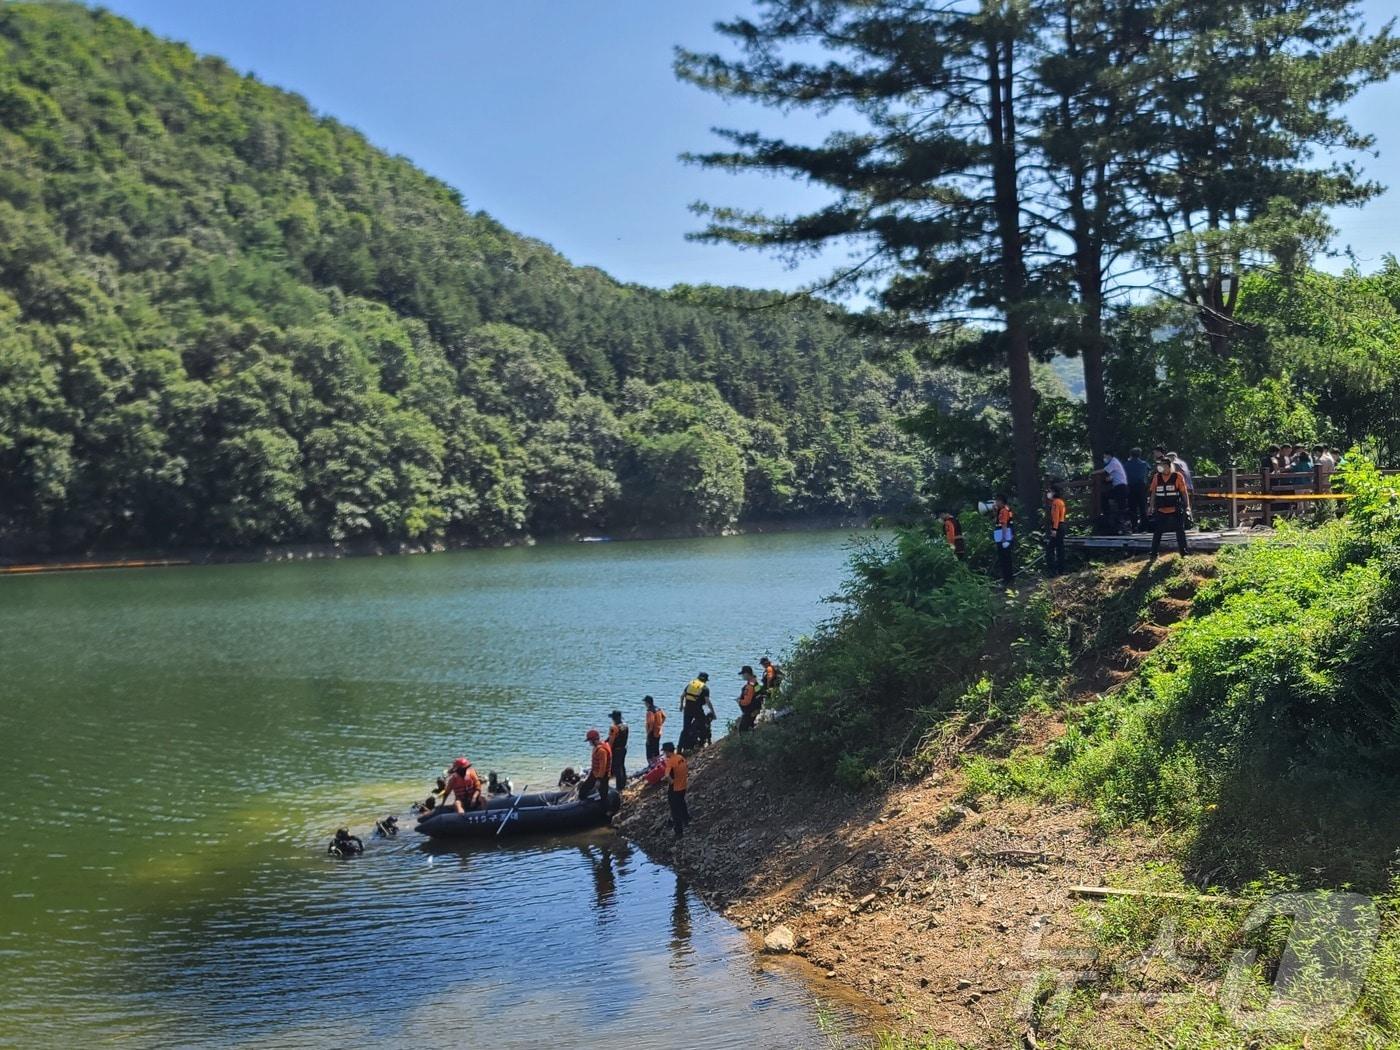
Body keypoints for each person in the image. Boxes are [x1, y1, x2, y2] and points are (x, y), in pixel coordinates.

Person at [1147, 456, 1190, 562]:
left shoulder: (1177, 476)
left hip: (1175, 508)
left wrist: (1187, 506)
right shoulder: (1157, 477)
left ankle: (1183, 552)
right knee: (1157, 532)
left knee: (1180, 531)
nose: (1162, 467)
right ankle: (1153, 553)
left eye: (1164, 465)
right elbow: (1153, 493)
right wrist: (1151, 507)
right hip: (1161, 509)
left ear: (1169, 466)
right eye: (1160, 465)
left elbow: (1184, 493)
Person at [660, 741, 690, 839]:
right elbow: (686, 768)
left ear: (667, 752)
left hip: (675, 788)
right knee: (682, 803)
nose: (664, 754)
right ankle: (686, 820)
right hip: (683, 786)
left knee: (675, 810)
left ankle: (678, 832)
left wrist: (670, 781)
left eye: (664, 752)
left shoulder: (671, 761)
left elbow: (667, 775)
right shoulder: (681, 758)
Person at [678, 673, 714, 754]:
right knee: (703, 726)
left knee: (685, 729)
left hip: (687, 709)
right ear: (705, 680)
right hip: (697, 709)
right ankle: (701, 745)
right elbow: (708, 702)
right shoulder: (705, 688)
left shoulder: (690, 685)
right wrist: (713, 712)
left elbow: (682, 696)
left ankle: (679, 749)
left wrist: (681, 705)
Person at [580, 728, 612, 804]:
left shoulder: (601, 751)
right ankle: (582, 803)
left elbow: (603, 767)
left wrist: (599, 779)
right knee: (584, 788)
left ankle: (605, 808)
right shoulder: (598, 747)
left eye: (590, 741)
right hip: (595, 773)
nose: (589, 743)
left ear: (594, 740)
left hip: (601, 776)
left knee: (603, 793)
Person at [1098, 452, 1129, 531]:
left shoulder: (1113, 462)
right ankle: (1120, 524)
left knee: (1105, 496)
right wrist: (1106, 480)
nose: (1104, 458)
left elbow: (1104, 470)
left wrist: (1093, 473)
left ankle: (1108, 513)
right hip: (1121, 487)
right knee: (1120, 506)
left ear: (1109, 455)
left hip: (1120, 487)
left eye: (1105, 456)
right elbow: (1111, 477)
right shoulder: (1115, 463)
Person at [1124, 448, 1151, 532]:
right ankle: (1144, 527)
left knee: (1132, 507)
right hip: (1141, 487)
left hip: (1131, 487)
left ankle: (1134, 526)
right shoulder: (1144, 464)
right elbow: (1149, 470)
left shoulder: (1126, 464)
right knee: (1143, 507)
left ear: (1130, 454)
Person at [992, 494, 1015, 586]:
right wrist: (995, 511)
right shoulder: (1002, 510)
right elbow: (996, 521)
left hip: (1003, 536)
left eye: (997, 501)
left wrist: (1004, 538)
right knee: (1004, 558)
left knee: (1004, 558)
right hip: (1002, 535)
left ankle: (1007, 579)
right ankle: (1008, 578)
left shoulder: (1003, 510)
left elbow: (1004, 524)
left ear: (1001, 501)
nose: (996, 503)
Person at [1044, 484, 1066, 575]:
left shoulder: (1056, 503)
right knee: (1060, 548)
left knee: (1050, 549)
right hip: (1061, 525)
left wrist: (1054, 529)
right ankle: (1061, 570)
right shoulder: (1061, 501)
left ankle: (1052, 570)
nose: (1049, 493)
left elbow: (1056, 517)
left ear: (1054, 492)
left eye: (1050, 491)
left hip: (1057, 526)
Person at [607, 710, 629, 791]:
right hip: (624, 748)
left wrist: (608, 750)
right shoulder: (625, 725)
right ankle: (623, 784)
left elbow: (611, 741)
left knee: (616, 768)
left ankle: (619, 787)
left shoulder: (613, 728)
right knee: (622, 766)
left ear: (614, 718)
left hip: (616, 750)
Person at [736, 665, 760, 731]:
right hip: (756, 709)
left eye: (743, 674)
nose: (742, 676)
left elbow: (747, 702)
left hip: (749, 712)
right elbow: (758, 694)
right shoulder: (756, 683)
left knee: (742, 730)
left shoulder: (749, 687)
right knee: (751, 728)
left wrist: (739, 701)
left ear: (746, 674)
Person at [643, 695, 665, 764]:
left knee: (649, 750)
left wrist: (648, 733)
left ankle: (651, 765)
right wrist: (660, 725)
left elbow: (651, 722)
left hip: (652, 733)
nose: (644, 704)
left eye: (645, 702)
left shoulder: (650, 711)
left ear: (647, 703)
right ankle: (657, 763)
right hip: (658, 731)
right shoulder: (658, 709)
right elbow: (664, 717)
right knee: (656, 748)